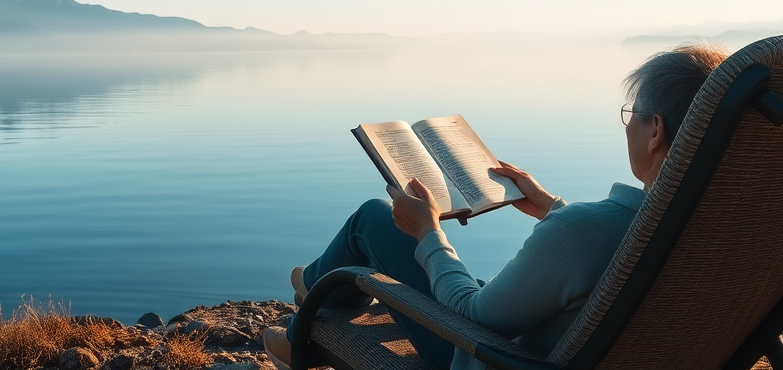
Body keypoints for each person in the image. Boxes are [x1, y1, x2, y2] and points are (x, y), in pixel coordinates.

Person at [262, 42, 730, 370]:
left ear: (655, 132)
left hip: (492, 356)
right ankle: (310, 292)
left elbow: (471, 317)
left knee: (372, 219)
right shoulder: (737, 232)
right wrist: (553, 208)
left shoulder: (587, 230)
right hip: (577, 345)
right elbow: (616, 257)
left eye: (633, 115)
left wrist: (428, 233)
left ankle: (306, 308)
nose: (627, 127)